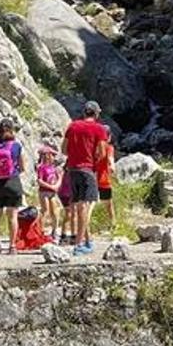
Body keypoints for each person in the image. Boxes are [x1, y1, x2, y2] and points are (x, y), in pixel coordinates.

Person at [62, 101, 109, 255]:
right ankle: (78, 244)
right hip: (87, 170)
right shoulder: (99, 129)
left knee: (79, 207)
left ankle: (88, 241)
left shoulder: (73, 126)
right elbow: (102, 153)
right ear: (96, 114)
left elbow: (64, 149)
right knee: (86, 207)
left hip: (72, 170)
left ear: (84, 112)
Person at [0, 119, 25, 254]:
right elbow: (23, 166)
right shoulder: (16, 145)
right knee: (12, 216)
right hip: (12, 182)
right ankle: (12, 246)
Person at [35, 145, 62, 237]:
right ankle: (40, 230)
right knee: (45, 210)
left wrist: (56, 186)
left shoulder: (53, 167)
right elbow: (39, 181)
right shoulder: (41, 167)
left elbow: (59, 178)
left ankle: (54, 230)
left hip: (52, 191)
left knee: (55, 211)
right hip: (44, 192)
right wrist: (51, 186)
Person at [94, 129, 116, 232]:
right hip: (104, 180)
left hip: (92, 178)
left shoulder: (94, 147)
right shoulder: (109, 147)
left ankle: (92, 225)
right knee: (108, 204)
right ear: (109, 137)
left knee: (90, 203)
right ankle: (112, 224)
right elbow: (111, 159)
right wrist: (112, 166)